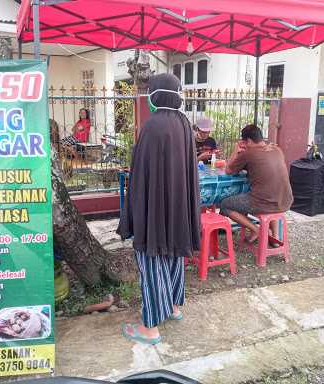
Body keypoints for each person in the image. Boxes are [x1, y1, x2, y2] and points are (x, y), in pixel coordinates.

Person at [117, 74, 201, 345]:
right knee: (174, 250)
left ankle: (150, 327)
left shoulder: (153, 125)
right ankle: (173, 307)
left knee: (151, 256)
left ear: (156, 95)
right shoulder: (184, 123)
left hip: (155, 206)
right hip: (178, 205)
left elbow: (141, 174)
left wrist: (135, 214)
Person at [220, 124, 293, 244]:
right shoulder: (277, 149)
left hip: (264, 202)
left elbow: (228, 171)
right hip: (285, 200)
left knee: (225, 205)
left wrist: (236, 151)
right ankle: (275, 238)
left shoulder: (249, 153)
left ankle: (256, 230)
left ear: (248, 141)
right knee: (266, 193)